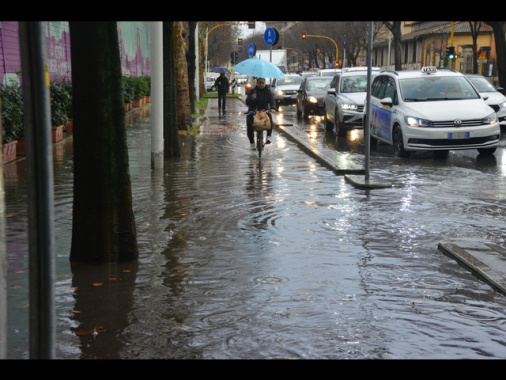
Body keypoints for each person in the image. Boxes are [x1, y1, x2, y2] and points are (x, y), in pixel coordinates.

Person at [246, 78, 277, 150]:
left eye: (262, 83)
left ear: (265, 83)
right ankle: (252, 143)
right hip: (253, 110)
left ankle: (268, 136)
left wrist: (273, 108)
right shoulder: (253, 91)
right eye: (259, 83)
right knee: (249, 123)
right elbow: (247, 102)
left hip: (264, 110)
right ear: (257, 83)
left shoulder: (268, 91)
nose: (261, 84)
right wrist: (251, 98)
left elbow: (272, 100)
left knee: (269, 119)